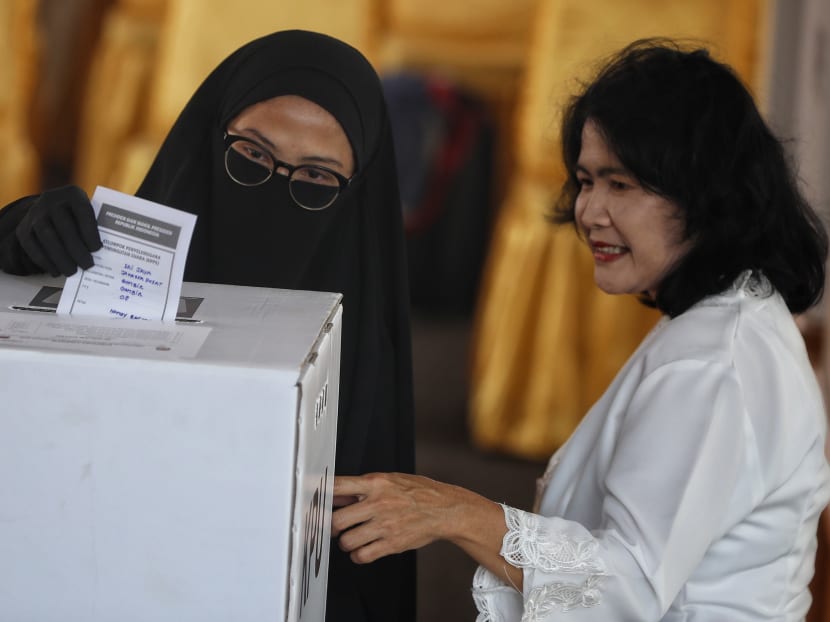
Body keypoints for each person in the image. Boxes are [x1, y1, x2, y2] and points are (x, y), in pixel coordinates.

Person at [331, 38, 830, 620]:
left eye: (620, 185)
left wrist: (452, 511)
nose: (589, 211)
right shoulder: (731, 315)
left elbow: (625, 587)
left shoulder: (712, 362)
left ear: (705, 194)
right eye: (587, 180)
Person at [0, 30, 416, 622]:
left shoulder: (362, 348)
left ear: (356, 189)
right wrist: (17, 235)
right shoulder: (124, 265)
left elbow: (352, 571)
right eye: (251, 155)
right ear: (210, 136)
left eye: (317, 179)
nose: (277, 190)